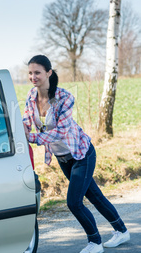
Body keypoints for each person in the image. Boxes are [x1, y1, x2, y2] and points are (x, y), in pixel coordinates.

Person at [22, 55, 130, 253]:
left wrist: (34, 138)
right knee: (95, 196)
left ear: (48, 73)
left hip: (81, 154)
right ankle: (121, 230)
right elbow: (26, 121)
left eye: (37, 72)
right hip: (62, 158)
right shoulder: (31, 96)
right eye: (30, 73)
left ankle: (95, 242)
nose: (33, 76)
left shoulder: (64, 97)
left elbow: (61, 131)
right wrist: (21, 129)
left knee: (73, 202)